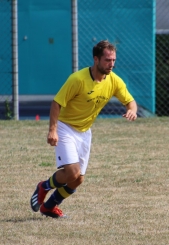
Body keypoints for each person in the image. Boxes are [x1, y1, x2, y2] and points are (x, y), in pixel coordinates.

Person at [30, 40, 138, 218]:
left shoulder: (114, 80)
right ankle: (43, 186)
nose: (111, 64)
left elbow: (130, 102)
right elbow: (57, 103)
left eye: (113, 60)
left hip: (84, 131)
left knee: (78, 179)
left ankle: (49, 207)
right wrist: (53, 130)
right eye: (107, 60)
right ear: (96, 59)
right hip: (66, 127)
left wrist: (132, 111)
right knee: (72, 172)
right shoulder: (78, 79)